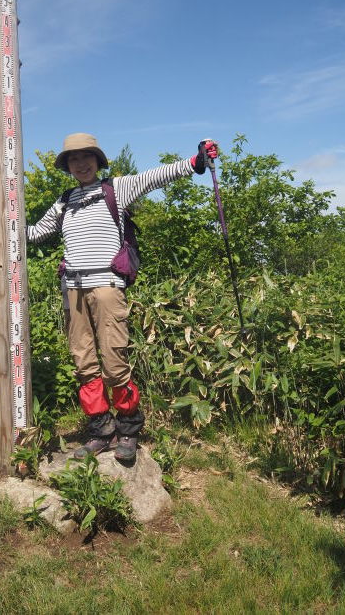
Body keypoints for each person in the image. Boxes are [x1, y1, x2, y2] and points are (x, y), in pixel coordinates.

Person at [27, 132, 218, 462]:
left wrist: (195, 162)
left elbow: (154, 177)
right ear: (67, 165)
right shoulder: (64, 201)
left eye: (87, 157)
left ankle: (128, 431)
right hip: (72, 289)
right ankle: (101, 431)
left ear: (97, 161)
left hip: (106, 287)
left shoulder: (115, 189)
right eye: (74, 158)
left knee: (115, 363)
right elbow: (34, 234)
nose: (81, 163)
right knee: (83, 363)